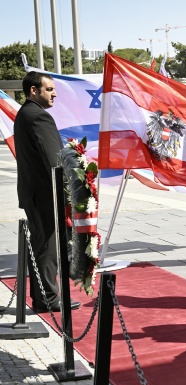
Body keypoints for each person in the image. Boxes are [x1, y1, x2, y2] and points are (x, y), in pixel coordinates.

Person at [14, 71, 79, 313]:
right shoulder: (38, 117)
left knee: (42, 246)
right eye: (49, 89)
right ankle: (49, 300)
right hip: (45, 195)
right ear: (34, 90)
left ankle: (43, 297)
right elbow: (55, 161)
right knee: (48, 250)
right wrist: (72, 191)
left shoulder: (25, 114)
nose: (54, 93)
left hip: (34, 193)